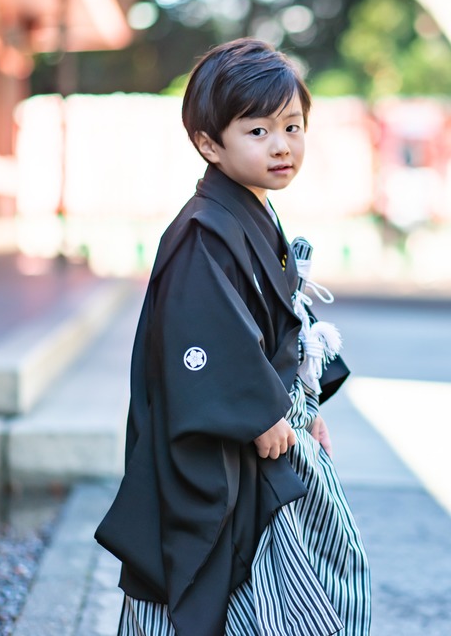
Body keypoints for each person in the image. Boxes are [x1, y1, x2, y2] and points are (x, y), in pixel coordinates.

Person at [96, 39, 371, 635]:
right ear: (209, 143)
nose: (282, 145)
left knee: (324, 570)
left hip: (273, 431)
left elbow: (282, 326)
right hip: (235, 443)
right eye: (258, 131)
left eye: (293, 126)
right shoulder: (203, 232)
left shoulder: (251, 211)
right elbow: (202, 338)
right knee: (255, 588)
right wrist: (256, 411)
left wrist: (305, 407)